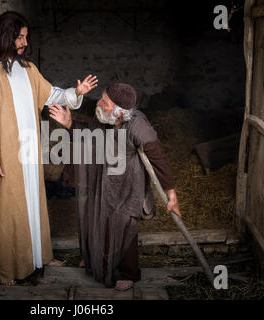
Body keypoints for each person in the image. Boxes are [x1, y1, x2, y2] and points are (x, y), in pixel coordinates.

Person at [0, 11, 98, 286]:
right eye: (20, 37)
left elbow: (53, 95)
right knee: (6, 212)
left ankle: (39, 258)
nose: (25, 42)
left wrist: (77, 93)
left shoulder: (28, 70)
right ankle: (8, 270)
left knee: (32, 206)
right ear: (5, 36)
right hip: (2, 155)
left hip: (26, 152)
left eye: (26, 37)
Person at [48, 83, 181, 290]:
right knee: (97, 216)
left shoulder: (138, 127)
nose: (98, 103)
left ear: (120, 112)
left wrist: (171, 194)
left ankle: (128, 272)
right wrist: (69, 124)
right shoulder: (103, 117)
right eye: (101, 98)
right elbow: (89, 135)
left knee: (123, 223)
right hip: (104, 180)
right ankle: (97, 261)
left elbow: (159, 160)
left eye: (105, 102)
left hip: (128, 184)